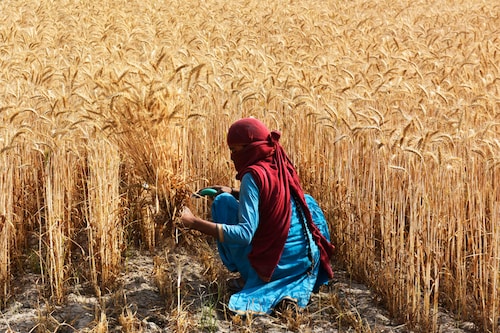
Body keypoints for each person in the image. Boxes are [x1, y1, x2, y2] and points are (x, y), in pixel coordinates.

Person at [180, 117, 335, 315]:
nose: (232, 158)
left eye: (235, 151)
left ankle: (252, 277)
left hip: (276, 265)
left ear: (250, 148)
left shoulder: (253, 175)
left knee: (222, 203)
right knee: (307, 200)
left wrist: (193, 222)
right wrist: (235, 192)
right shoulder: (279, 162)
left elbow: (244, 234)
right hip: (304, 264)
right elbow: (274, 196)